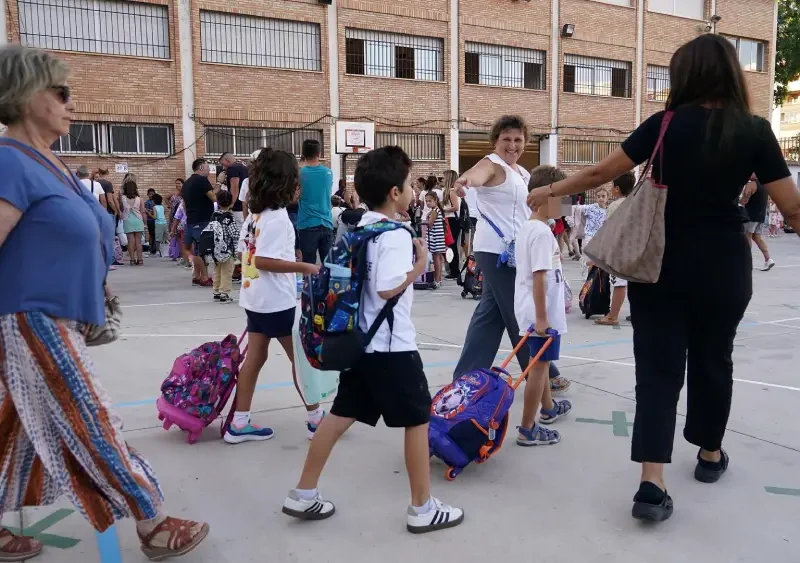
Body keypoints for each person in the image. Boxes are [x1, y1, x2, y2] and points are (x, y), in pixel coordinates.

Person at [527, 33, 800, 523]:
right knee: (715, 358)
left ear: (684, 76)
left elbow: (598, 175)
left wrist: (548, 189)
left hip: (658, 265)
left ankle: (651, 482)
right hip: (723, 266)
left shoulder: (663, 124)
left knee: (657, 368)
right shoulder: (755, 131)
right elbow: (793, 209)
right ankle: (710, 454)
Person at [0, 44, 209, 562]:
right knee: (88, 415)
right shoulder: (8, 162)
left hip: (59, 315)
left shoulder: (51, 163)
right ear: (26, 96)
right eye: (62, 92)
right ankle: (153, 522)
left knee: (22, 427)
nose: (73, 103)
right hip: (32, 316)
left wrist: (99, 292)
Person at [281, 146, 464, 534]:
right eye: (410, 184)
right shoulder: (395, 234)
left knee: (338, 416)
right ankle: (422, 508)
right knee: (417, 421)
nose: (414, 190)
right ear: (395, 193)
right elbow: (385, 289)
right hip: (392, 348)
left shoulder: (359, 228)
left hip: (359, 344)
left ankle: (302, 492)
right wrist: (418, 266)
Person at [227, 148, 324, 444]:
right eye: (295, 181)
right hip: (276, 303)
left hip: (255, 299)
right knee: (301, 360)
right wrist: (305, 265)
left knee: (256, 357)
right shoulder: (278, 219)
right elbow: (262, 260)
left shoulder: (256, 216)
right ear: (284, 184)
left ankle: (239, 421)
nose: (299, 187)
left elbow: (248, 255)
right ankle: (315, 417)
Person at [514, 165, 573, 447]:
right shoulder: (540, 234)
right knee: (538, 369)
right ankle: (528, 428)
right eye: (561, 196)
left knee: (542, 363)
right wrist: (541, 318)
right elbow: (539, 277)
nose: (566, 202)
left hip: (540, 312)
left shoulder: (535, 229)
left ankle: (548, 409)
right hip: (540, 314)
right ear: (541, 198)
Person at [595, 172, 636, 326]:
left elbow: (608, 229)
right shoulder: (635, 202)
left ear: (617, 189)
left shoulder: (615, 205)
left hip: (619, 250)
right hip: (633, 248)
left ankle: (613, 315)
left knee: (618, 283)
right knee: (631, 283)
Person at [296, 139, 334, 264]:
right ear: (319, 153)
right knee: (329, 266)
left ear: (303, 154)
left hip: (307, 224)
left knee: (308, 265)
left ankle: (309, 284)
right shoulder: (328, 173)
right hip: (327, 223)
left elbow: (295, 196)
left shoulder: (300, 174)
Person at [181, 157, 215, 286]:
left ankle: (196, 275)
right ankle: (205, 277)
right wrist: (219, 185)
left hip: (190, 219)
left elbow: (184, 204)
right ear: (201, 168)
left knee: (195, 250)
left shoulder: (187, 182)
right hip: (202, 220)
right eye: (207, 167)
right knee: (203, 250)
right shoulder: (202, 181)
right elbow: (214, 197)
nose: (209, 170)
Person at [209, 190, 239, 304]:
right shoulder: (229, 217)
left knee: (217, 270)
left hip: (215, 249)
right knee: (227, 271)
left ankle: (216, 291)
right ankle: (224, 293)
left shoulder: (214, 215)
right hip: (227, 250)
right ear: (231, 203)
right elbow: (235, 234)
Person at [741, 175, 775, 271]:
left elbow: (744, 200)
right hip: (760, 215)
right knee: (757, 237)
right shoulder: (764, 186)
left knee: (747, 236)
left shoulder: (752, 184)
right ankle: (768, 259)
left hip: (750, 215)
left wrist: (740, 200)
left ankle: (746, 262)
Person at [120, 178, 146, 265]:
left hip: (127, 220)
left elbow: (121, 209)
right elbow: (143, 212)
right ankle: (140, 259)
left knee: (130, 241)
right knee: (138, 241)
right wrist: (145, 223)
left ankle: (132, 259)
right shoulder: (139, 199)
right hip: (138, 220)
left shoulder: (122, 198)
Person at [441, 170, 462, 280]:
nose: (442, 180)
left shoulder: (452, 191)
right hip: (450, 219)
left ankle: (455, 271)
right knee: (450, 245)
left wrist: (443, 210)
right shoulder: (449, 191)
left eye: (444, 178)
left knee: (452, 246)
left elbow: (455, 207)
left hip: (452, 220)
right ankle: (453, 270)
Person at [425, 191, 447, 288]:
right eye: (426, 201)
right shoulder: (436, 210)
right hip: (437, 237)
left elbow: (430, 224)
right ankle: (439, 279)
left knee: (436, 258)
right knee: (437, 258)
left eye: (430, 201)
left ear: (435, 200)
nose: (428, 203)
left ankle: (437, 280)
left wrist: (425, 220)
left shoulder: (434, 211)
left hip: (435, 238)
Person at [220, 152, 247, 225]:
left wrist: (231, 204)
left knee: (238, 232)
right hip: (245, 206)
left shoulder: (232, 168)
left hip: (237, 207)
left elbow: (235, 187)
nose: (223, 167)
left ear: (227, 160)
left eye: (222, 164)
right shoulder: (244, 167)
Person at [168, 179, 183, 260]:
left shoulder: (184, 193)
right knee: (174, 233)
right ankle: (174, 253)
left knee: (180, 233)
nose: (177, 185)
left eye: (179, 183)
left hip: (181, 215)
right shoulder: (174, 193)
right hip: (174, 213)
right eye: (176, 183)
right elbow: (166, 198)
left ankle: (181, 253)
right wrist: (170, 205)